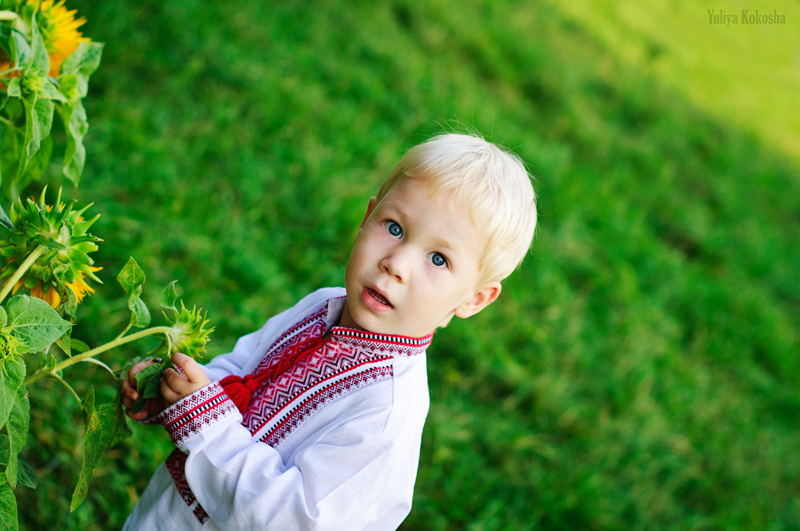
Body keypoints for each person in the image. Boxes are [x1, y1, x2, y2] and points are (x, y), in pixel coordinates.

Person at [120, 132, 538, 530]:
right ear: (365, 219)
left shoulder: (386, 415)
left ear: (473, 300)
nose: (397, 263)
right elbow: (244, 367)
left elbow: (295, 519)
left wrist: (205, 424)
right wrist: (180, 392)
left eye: (439, 260)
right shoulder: (324, 304)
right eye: (394, 227)